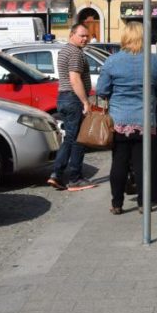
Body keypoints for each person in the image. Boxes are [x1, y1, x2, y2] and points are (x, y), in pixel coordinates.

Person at [96, 21, 157, 215]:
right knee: (143, 164)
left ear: (125, 37)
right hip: (145, 120)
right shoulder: (154, 61)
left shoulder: (113, 61)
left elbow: (102, 90)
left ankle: (117, 203)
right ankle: (143, 203)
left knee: (119, 162)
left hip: (119, 120)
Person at [47, 23, 97, 191]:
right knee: (77, 140)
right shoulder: (75, 53)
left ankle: (57, 175)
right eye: (82, 35)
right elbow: (75, 79)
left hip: (63, 97)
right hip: (73, 98)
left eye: (87, 36)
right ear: (72, 34)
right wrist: (85, 102)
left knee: (70, 138)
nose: (85, 38)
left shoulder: (64, 51)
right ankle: (74, 178)